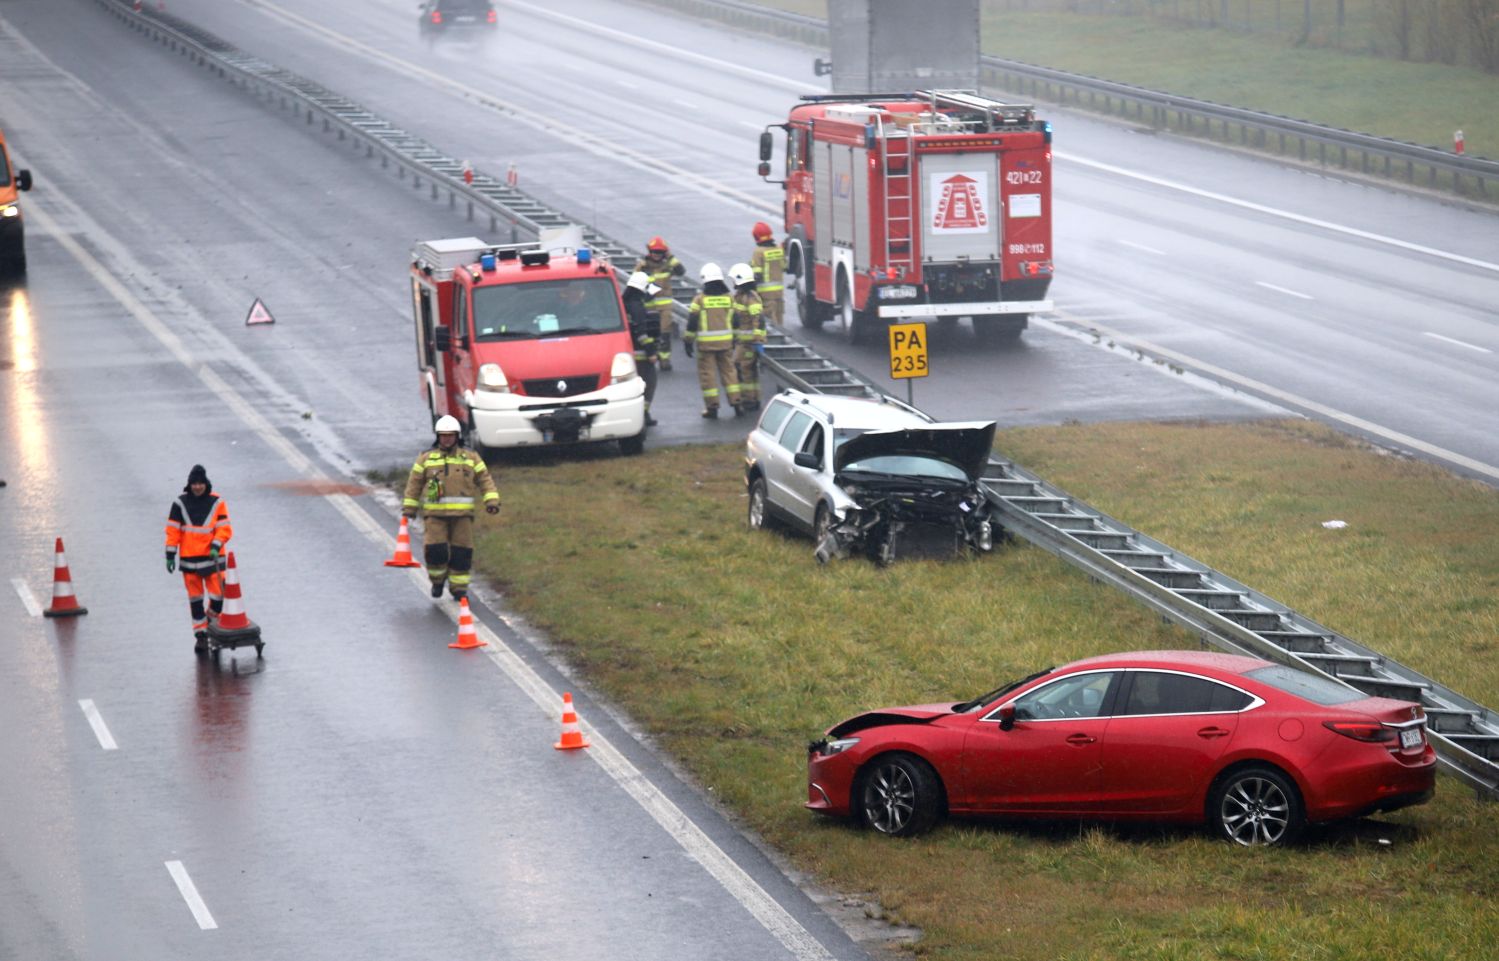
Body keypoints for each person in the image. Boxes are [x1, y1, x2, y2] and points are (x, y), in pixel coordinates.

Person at [401, 415, 500, 601]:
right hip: (434, 516)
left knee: (462, 553)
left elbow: (485, 480)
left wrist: (492, 501)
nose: (446, 439)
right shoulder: (426, 458)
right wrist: (409, 508)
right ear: (438, 436)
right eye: (443, 435)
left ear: (457, 436)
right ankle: (437, 582)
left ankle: (459, 589)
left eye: (450, 435)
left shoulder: (470, 458)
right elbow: (414, 484)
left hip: (462, 517)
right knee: (435, 551)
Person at [164, 464, 232, 655]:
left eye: (200, 483)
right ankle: (201, 636)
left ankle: (210, 622)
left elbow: (224, 528)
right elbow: (173, 530)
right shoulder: (179, 504)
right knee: (195, 601)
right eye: (194, 483)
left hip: (213, 560)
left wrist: (216, 545)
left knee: (218, 597)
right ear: (189, 485)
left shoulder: (217, 502)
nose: (197, 487)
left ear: (206, 483)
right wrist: (170, 554)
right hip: (190, 562)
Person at [683, 263, 739, 418]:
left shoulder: (699, 300)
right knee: (729, 372)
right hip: (726, 344)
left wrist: (688, 341)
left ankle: (712, 407)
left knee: (708, 375)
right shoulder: (729, 298)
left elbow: (692, 322)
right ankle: (736, 403)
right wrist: (734, 338)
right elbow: (735, 320)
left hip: (706, 346)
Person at [633, 237, 685, 371]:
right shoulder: (643, 266)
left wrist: (671, 257)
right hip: (648, 305)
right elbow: (635, 283)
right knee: (650, 333)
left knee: (665, 332)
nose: (657, 254)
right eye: (654, 251)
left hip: (665, 305)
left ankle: (665, 359)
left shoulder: (667, 265)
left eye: (660, 252)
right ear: (650, 251)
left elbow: (681, 271)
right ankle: (650, 356)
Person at [622, 271, 660, 426]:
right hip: (641, 353)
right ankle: (643, 414)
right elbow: (641, 332)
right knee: (649, 382)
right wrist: (651, 351)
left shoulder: (623, 304)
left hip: (627, 352)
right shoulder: (637, 306)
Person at [728, 262, 765, 413]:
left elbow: (758, 320)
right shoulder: (740, 296)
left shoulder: (751, 298)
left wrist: (758, 341)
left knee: (744, 369)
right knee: (746, 369)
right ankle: (753, 398)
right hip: (743, 342)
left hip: (749, 343)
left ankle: (749, 400)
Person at [750, 222, 786, 329]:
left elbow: (757, 275)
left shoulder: (758, 252)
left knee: (769, 326)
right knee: (779, 324)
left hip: (765, 296)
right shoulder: (779, 250)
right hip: (779, 295)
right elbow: (784, 266)